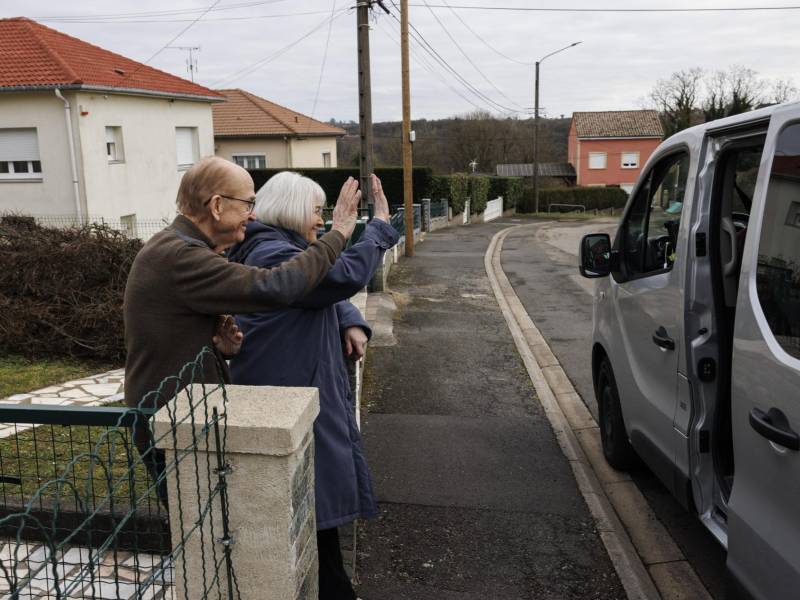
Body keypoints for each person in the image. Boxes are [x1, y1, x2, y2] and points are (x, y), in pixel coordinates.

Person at [123, 157, 361, 497]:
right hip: (171, 422)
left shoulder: (179, 248)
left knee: (208, 532)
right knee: (201, 534)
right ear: (217, 205)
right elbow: (277, 287)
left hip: (180, 417)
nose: (253, 213)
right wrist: (338, 234)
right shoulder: (181, 256)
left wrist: (217, 350)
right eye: (248, 203)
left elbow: (170, 328)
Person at [228, 172, 399, 600]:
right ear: (289, 209)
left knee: (319, 531)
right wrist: (374, 227)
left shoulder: (280, 249)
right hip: (288, 409)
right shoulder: (270, 253)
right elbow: (338, 278)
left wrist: (350, 321)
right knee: (312, 527)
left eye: (325, 212)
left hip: (300, 399)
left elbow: (322, 289)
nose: (321, 221)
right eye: (316, 210)